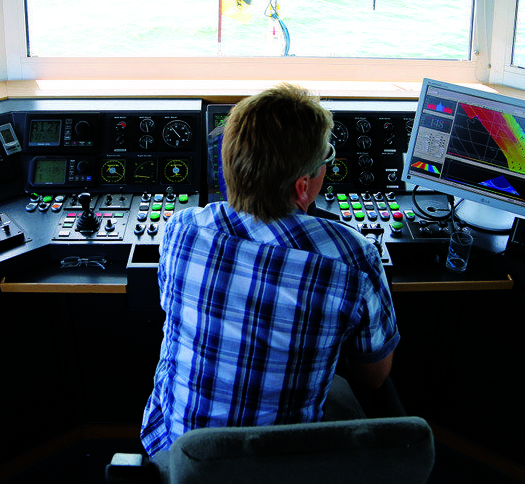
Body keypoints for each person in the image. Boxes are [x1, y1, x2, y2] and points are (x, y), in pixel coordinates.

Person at [140, 83, 400, 456]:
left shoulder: (181, 229)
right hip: (280, 469)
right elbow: (373, 376)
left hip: (178, 457)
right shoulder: (352, 259)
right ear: (303, 186)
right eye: (326, 157)